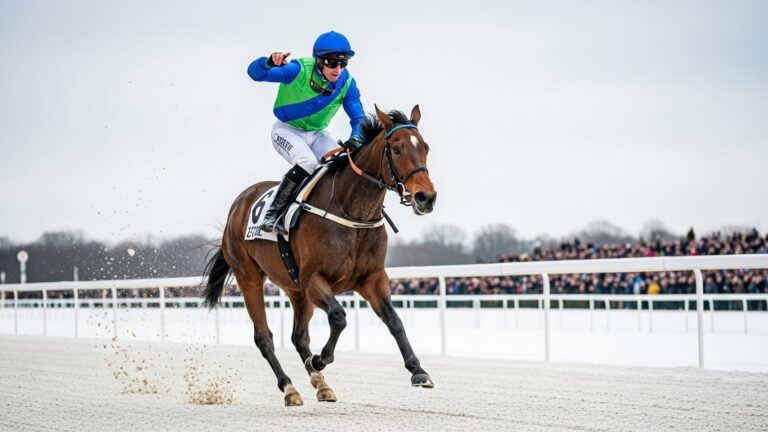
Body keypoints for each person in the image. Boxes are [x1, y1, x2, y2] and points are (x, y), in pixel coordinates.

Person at [247, 31, 365, 235]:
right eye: (332, 63)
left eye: (343, 63)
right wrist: (268, 62)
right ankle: (273, 213)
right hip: (286, 130)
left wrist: (356, 137)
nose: (338, 70)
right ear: (319, 61)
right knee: (307, 162)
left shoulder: (347, 84)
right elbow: (255, 74)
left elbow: (359, 119)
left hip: (317, 134)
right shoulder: (296, 70)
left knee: (344, 164)